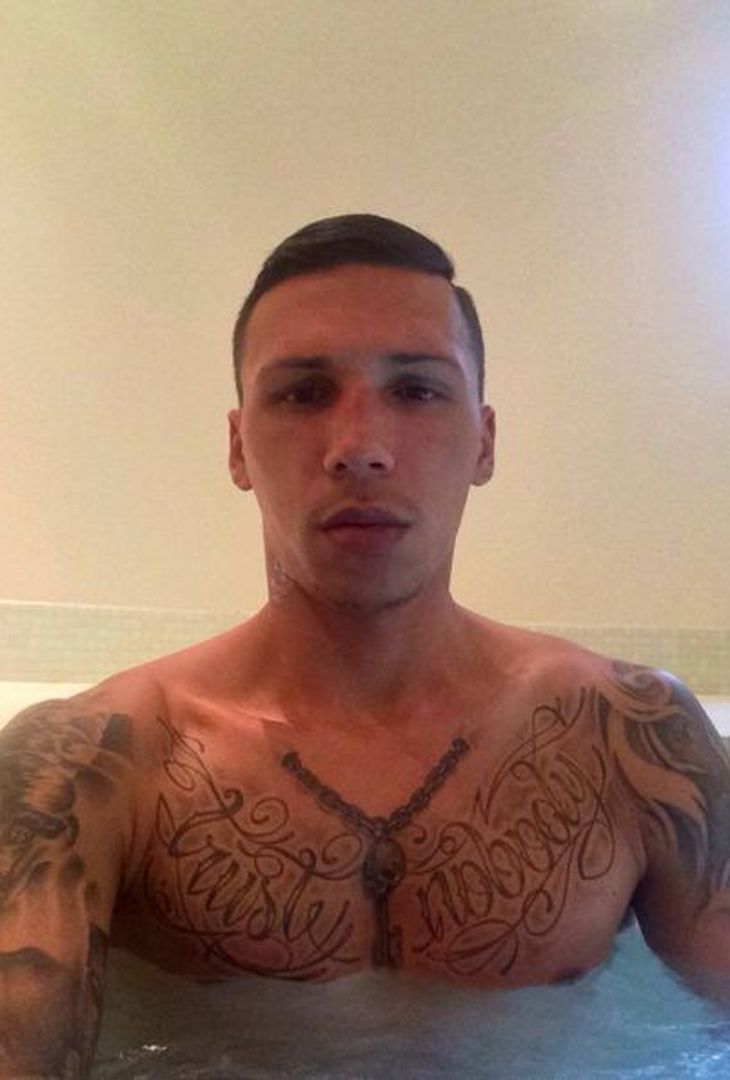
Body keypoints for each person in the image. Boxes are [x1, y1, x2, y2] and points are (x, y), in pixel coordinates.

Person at [1, 214, 729, 1078]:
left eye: (416, 391)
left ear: (484, 441)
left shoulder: (633, 738)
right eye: (303, 393)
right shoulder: (91, 764)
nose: (360, 449)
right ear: (238, 448)